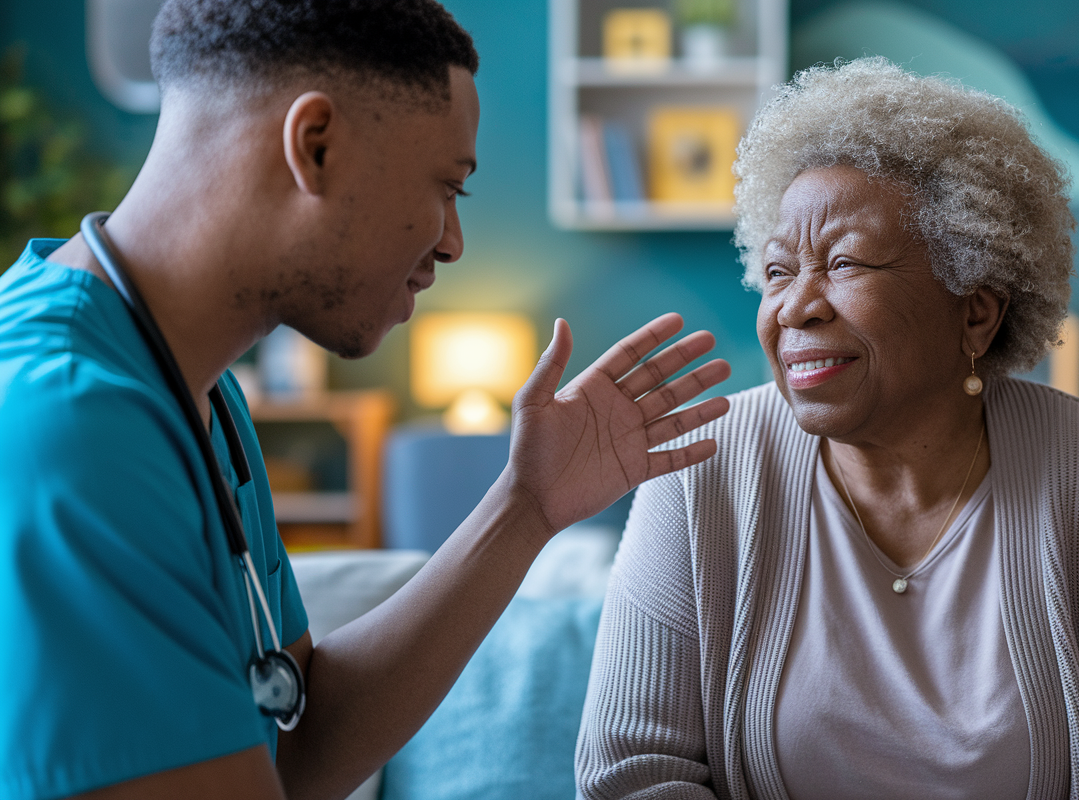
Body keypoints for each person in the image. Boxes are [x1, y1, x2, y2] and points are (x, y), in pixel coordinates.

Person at [0, 2, 733, 798]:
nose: (452, 241)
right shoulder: (72, 430)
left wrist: (527, 506)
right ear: (315, 146)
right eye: (448, 187)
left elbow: (301, 742)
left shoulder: (189, 383)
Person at [576, 57, 1079, 799]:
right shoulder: (702, 465)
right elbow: (632, 776)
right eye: (777, 272)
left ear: (976, 309)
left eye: (844, 262)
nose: (795, 306)